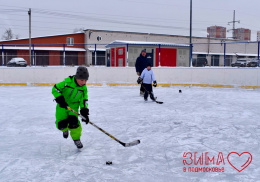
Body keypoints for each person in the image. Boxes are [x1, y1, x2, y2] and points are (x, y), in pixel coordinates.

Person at [52, 66, 89, 149]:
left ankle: (76, 139)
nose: (84, 82)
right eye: (82, 80)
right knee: (61, 124)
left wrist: (84, 110)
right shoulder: (67, 82)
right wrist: (59, 98)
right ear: (76, 77)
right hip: (62, 106)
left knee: (74, 123)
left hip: (73, 106)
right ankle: (64, 130)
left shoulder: (83, 88)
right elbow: (55, 89)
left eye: (86, 80)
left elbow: (84, 99)